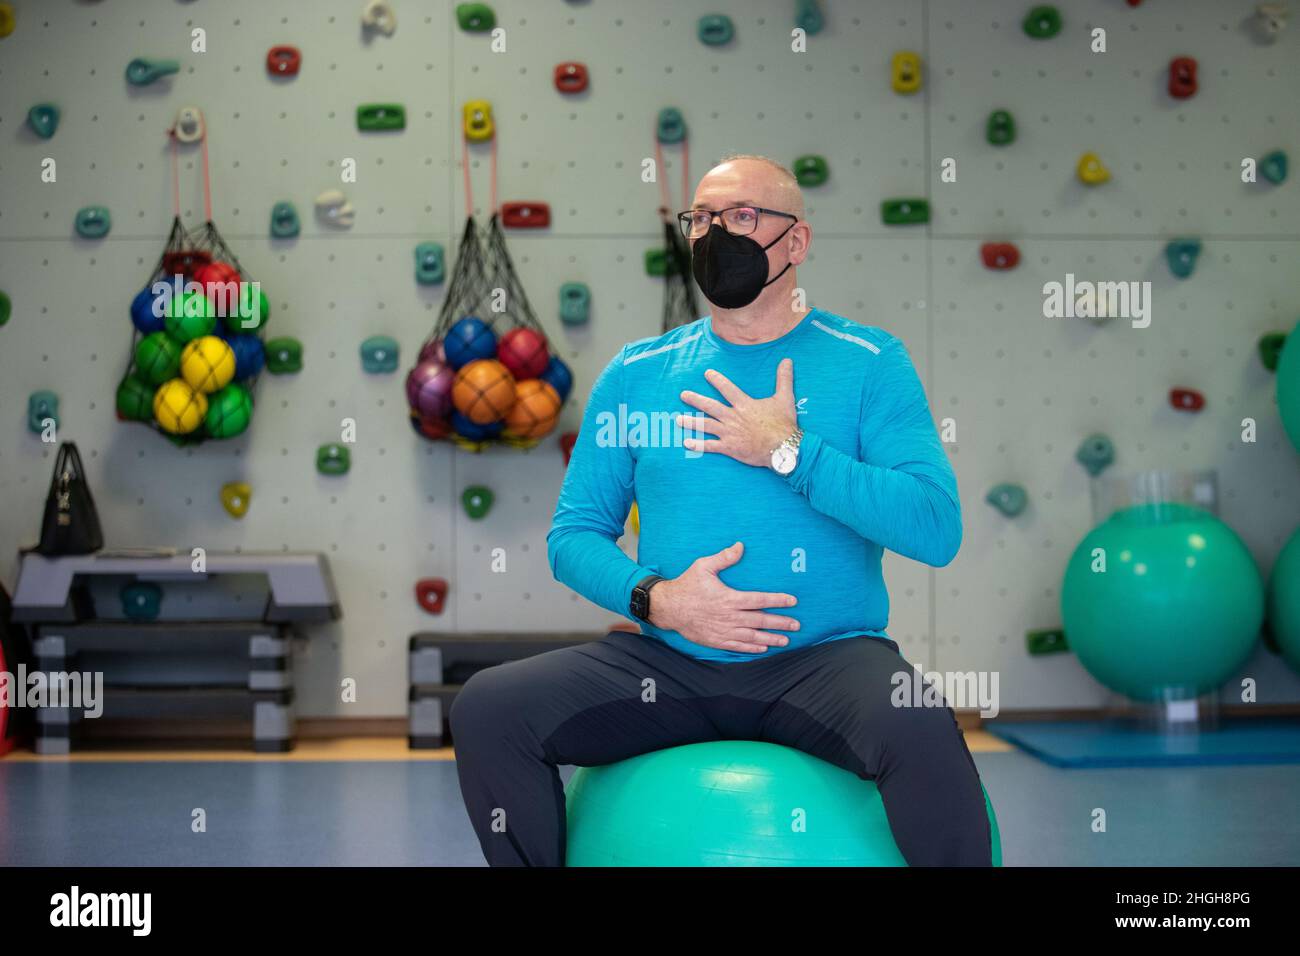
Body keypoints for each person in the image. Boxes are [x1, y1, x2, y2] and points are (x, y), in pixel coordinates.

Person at [450, 155, 992, 866]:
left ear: (796, 241)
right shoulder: (637, 374)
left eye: (740, 217)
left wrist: (791, 452)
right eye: (700, 220)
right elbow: (573, 536)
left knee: (919, 725)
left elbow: (935, 526)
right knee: (488, 710)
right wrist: (659, 599)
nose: (714, 236)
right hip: (668, 664)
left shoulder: (868, 362)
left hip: (823, 663)